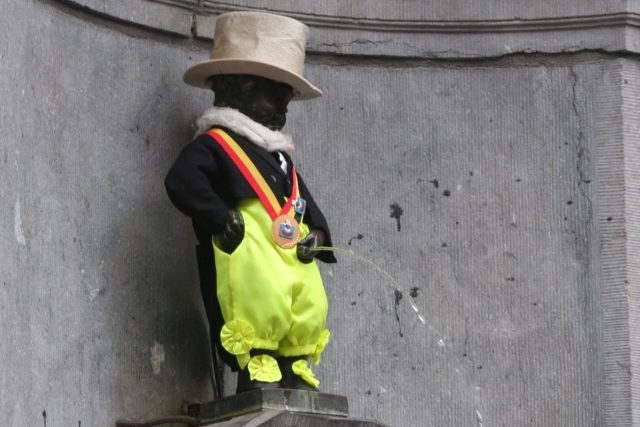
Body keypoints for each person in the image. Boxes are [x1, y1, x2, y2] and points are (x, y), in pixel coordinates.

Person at [165, 11, 336, 393]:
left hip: (291, 253)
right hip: (247, 258)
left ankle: (294, 362)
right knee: (257, 298)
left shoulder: (278, 155)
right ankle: (258, 366)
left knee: (306, 300)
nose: (283, 106)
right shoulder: (217, 144)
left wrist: (319, 233)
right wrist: (218, 216)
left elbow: (302, 197)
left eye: (285, 96)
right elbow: (182, 180)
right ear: (237, 87)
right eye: (273, 94)